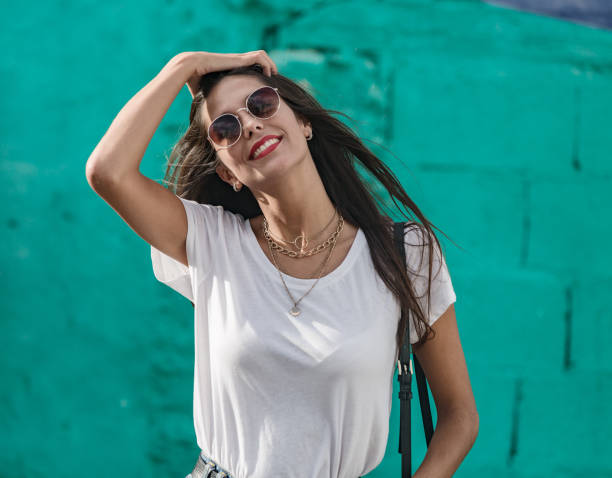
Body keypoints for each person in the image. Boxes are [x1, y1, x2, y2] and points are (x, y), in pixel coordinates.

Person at [85, 50, 478, 478]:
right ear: (227, 173)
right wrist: (184, 66)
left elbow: (459, 416)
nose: (250, 124)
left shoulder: (405, 253)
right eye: (225, 127)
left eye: (261, 104)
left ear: (304, 123)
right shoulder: (210, 241)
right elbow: (108, 172)